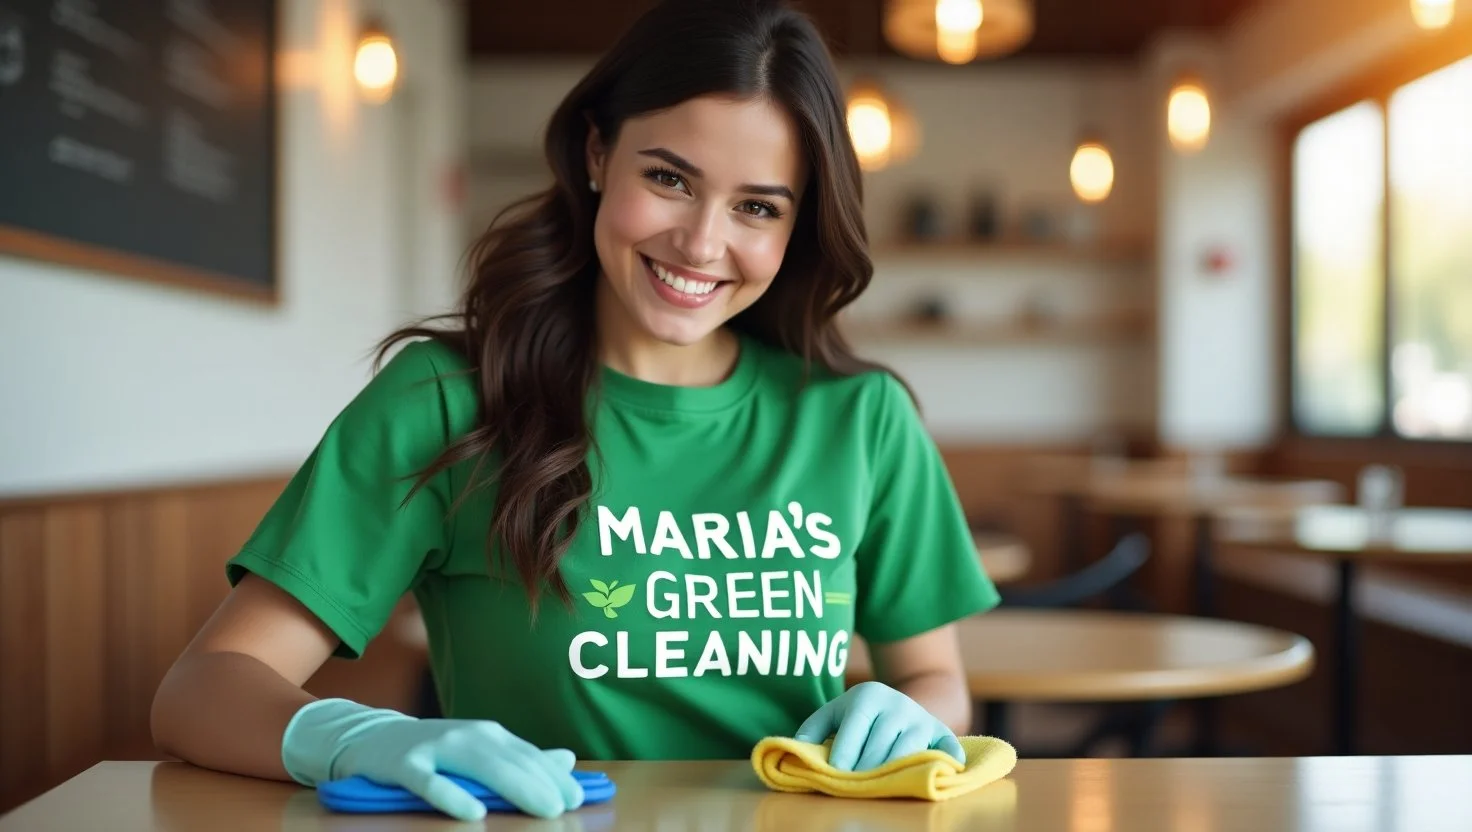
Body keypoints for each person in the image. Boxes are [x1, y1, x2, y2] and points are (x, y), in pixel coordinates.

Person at [150, 0, 998, 821]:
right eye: (669, 178)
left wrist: (914, 712)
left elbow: (938, 681)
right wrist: (353, 735)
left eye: (757, 206)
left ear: (797, 224)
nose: (702, 244)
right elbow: (202, 688)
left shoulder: (861, 419)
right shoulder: (446, 400)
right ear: (598, 154)